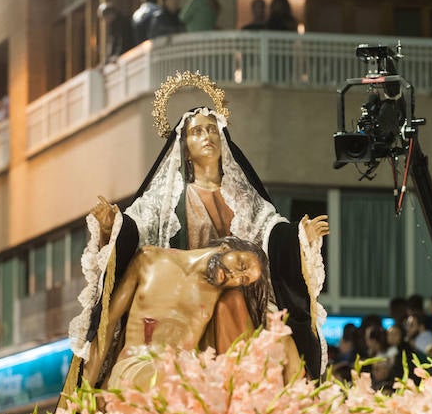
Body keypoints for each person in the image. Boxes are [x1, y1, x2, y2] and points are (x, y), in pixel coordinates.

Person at [68, 84, 329, 386]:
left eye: (212, 130)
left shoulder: (242, 198)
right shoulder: (171, 197)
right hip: (187, 291)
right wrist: (114, 225)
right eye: (197, 132)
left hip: (238, 291)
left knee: (268, 328)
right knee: (223, 306)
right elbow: (138, 225)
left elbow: (269, 231)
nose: (207, 137)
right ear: (185, 149)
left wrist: (299, 237)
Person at [82, 237, 268, 390]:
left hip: (184, 376)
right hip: (136, 367)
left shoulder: (222, 297)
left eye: (242, 280)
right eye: (241, 265)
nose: (234, 276)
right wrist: (82, 396)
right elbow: (106, 326)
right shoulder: (149, 259)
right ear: (225, 247)